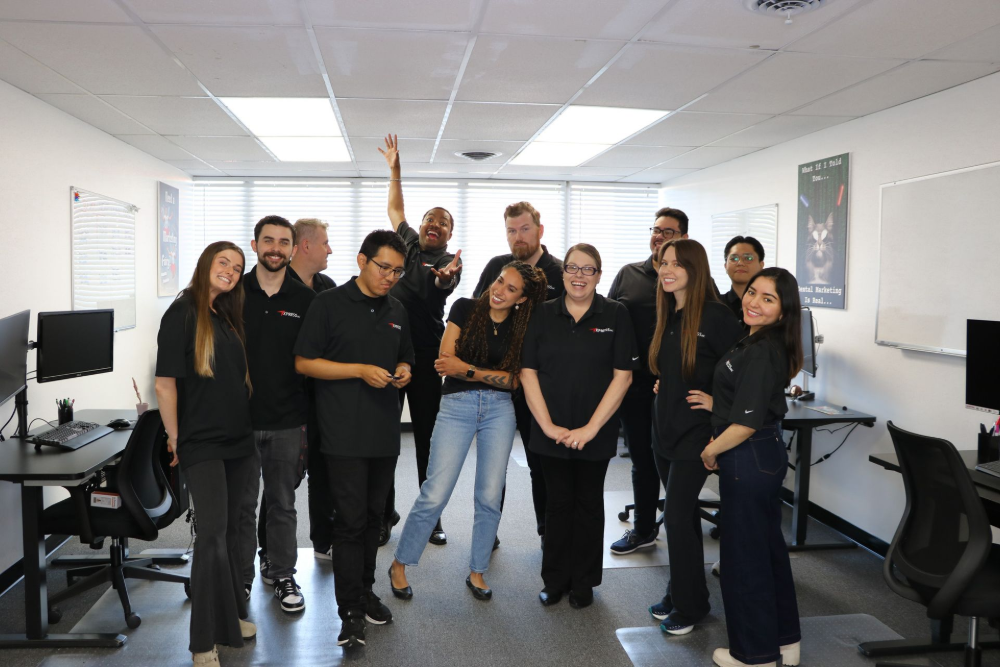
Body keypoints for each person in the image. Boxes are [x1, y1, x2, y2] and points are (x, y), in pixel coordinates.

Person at [388, 262, 549, 601]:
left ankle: (477, 571)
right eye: (500, 280)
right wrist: (483, 373)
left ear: (521, 299)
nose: (499, 290)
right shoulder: (465, 307)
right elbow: (445, 362)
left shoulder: (525, 327)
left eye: (510, 289)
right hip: (457, 406)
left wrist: (470, 370)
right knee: (435, 491)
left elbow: (516, 379)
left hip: (500, 411)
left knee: (490, 495)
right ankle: (400, 564)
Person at [294, 230, 415, 649]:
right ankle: (348, 610)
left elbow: (407, 354)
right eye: (384, 267)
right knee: (348, 523)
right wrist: (359, 370)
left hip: (384, 431)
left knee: (372, 521)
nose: (390, 277)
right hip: (343, 432)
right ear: (362, 260)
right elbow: (305, 362)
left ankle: (365, 593)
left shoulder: (397, 308)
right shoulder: (327, 304)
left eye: (398, 271)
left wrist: (403, 368)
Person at [154, 241, 257, 666]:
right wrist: (176, 438)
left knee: (232, 531)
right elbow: (165, 384)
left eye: (237, 267)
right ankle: (202, 642)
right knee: (212, 537)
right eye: (223, 263)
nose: (231, 271)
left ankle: (231, 616)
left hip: (238, 440)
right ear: (205, 264)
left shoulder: (224, 314)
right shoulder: (181, 313)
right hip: (202, 443)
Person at [521, 243, 637, 608]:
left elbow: (623, 377)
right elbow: (528, 372)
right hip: (549, 429)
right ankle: (554, 580)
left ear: (599, 276)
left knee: (588, 503)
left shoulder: (615, 314)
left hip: (596, 431)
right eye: (573, 268)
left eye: (588, 270)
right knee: (556, 504)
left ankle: (584, 582)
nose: (579, 276)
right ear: (563, 272)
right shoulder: (541, 314)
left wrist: (589, 429)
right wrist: (548, 426)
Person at [701, 267, 803, 667]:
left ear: (783, 311)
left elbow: (744, 424)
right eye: (753, 293)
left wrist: (711, 451)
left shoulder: (762, 350)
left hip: (748, 455)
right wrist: (717, 407)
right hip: (763, 453)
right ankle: (784, 640)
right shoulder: (761, 341)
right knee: (767, 550)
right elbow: (746, 402)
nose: (754, 302)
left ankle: (754, 655)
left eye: (768, 299)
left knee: (743, 560)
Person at [645, 240, 743, 635]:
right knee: (679, 518)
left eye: (676, 264)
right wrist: (664, 385)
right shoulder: (670, 309)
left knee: (676, 518)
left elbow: (744, 377)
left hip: (696, 436)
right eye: (663, 262)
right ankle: (681, 589)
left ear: (695, 269)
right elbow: (675, 367)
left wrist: (717, 403)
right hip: (664, 430)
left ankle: (692, 607)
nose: (667, 270)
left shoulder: (717, 317)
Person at [378, 135, 462, 547]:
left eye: (442, 221)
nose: (434, 223)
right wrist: (395, 169)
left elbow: (447, 283)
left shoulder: (449, 263)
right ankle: (383, 514)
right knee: (383, 438)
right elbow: (396, 208)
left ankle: (432, 517)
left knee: (428, 440)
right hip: (388, 353)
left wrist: (446, 280)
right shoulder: (407, 245)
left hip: (427, 358)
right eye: (431, 217)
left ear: (448, 234)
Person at [472, 201, 564, 545]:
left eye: (525, 229)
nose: (518, 237)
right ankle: (488, 531)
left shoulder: (558, 273)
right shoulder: (498, 267)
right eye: (511, 230)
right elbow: (478, 312)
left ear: (540, 230)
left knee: (541, 463)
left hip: (540, 386)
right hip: (496, 383)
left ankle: (547, 533)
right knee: (493, 468)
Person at [238, 215, 314, 613]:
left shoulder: (305, 300)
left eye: (284, 242)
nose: (275, 248)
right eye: (268, 240)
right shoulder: (232, 291)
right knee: (243, 505)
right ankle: (242, 579)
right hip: (240, 421)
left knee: (282, 503)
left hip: (287, 419)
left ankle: (283, 573)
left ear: (293, 248)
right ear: (254, 245)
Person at [604, 208, 689, 555]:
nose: (659, 236)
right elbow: (606, 320)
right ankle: (643, 530)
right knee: (641, 458)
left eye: (668, 231)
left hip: (676, 388)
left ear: (682, 238)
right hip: (635, 386)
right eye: (655, 230)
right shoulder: (629, 274)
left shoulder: (691, 279)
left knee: (672, 461)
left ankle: (681, 527)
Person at [287, 218, 337, 563]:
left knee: (324, 473)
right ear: (305, 245)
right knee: (282, 482)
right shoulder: (278, 286)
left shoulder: (327, 286)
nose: (329, 249)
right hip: (286, 399)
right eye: (324, 243)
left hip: (324, 398)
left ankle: (323, 543)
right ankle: (270, 552)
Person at [720, 236, 765, 320]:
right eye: (734, 258)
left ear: (761, 265)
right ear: (726, 266)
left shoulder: (769, 305)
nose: (740, 263)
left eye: (748, 258)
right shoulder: (716, 304)